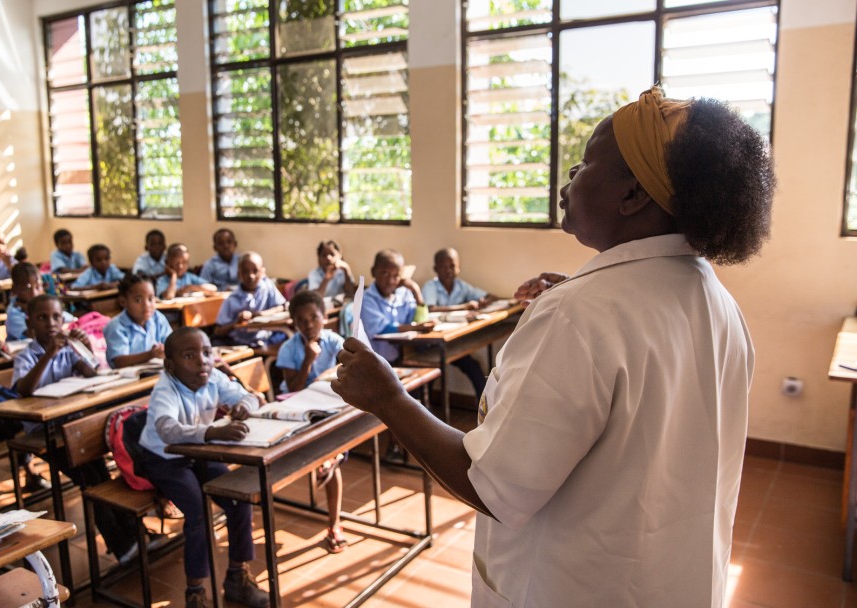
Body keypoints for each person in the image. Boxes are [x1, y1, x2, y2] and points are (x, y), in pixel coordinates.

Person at [331, 87, 774, 607]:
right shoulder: (717, 303)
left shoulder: (581, 315)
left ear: (632, 195)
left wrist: (390, 399)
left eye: (585, 165)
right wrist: (578, 299)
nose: (569, 182)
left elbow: (491, 483)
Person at [130, 327, 269, 608]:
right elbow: (168, 430)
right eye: (189, 356)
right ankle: (194, 592)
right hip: (163, 458)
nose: (202, 361)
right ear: (170, 365)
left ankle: (236, 578)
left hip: (198, 453)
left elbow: (252, 397)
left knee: (238, 499)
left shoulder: (213, 376)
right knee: (198, 513)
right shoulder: (165, 388)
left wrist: (244, 405)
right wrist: (212, 433)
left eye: (206, 353)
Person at [13, 295, 140, 565]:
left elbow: (93, 375)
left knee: (103, 475)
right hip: (44, 433)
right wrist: (49, 354)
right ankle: (122, 544)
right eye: (42, 318)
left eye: (57, 317)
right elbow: (24, 389)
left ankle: (134, 532)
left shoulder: (69, 348)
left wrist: (86, 350)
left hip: (73, 427)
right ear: (30, 323)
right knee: (89, 481)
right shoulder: (25, 356)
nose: (51, 323)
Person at [275, 290, 347, 552]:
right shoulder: (289, 348)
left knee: (335, 443)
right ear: (294, 323)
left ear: (325, 317)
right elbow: (293, 385)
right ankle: (330, 461)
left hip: (327, 404)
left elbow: (348, 368)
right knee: (332, 449)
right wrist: (308, 359)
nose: (309, 325)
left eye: (314, 318)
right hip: (297, 407)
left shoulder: (334, 341)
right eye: (302, 321)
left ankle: (334, 523)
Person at [422, 247, 493, 398]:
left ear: (458, 267)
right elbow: (431, 308)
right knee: (429, 375)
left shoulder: (461, 286)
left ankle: (485, 408)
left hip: (451, 343)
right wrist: (463, 307)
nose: (448, 270)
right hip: (431, 346)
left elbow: (490, 296)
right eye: (443, 267)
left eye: (452, 266)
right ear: (435, 269)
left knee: (474, 367)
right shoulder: (431, 286)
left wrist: (483, 301)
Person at [359, 249, 434, 364]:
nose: (390, 281)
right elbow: (382, 330)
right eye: (385, 274)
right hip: (378, 363)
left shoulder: (403, 293)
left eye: (396, 276)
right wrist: (414, 327)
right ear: (373, 272)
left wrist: (416, 291)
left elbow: (420, 320)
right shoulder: (366, 299)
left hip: (404, 356)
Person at [214, 252, 287, 347]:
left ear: (262, 272)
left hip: (266, 339)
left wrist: (260, 314)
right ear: (239, 274)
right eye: (245, 271)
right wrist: (236, 323)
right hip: (239, 342)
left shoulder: (267, 286)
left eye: (255, 271)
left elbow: (282, 306)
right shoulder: (232, 299)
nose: (251, 275)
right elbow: (218, 331)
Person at [103, 274, 172, 369]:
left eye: (150, 299)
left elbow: (172, 344)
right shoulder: (116, 326)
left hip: (155, 372)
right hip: (127, 378)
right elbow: (119, 361)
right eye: (138, 300)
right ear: (123, 302)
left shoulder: (157, 317)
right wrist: (151, 354)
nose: (146, 305)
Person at [5, 262, 74, 341]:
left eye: (38, 287)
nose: (34, 293)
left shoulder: (43, 305)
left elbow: (70, 319)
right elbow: (34, 336)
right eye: (27, 288)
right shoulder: (14, 314)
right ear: (15, 289)